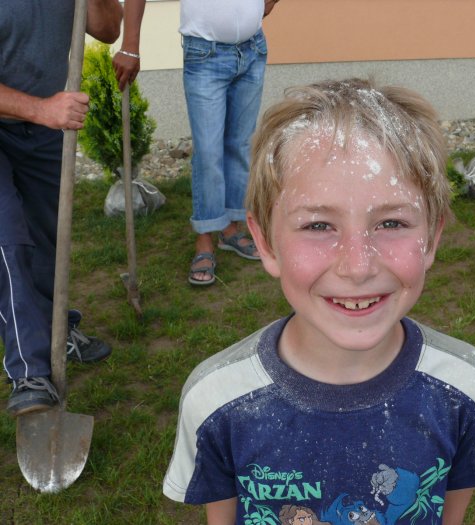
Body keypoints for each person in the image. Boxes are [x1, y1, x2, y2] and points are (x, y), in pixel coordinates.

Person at [163, 79, 475, 525]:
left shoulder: (465, 390)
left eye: (391, 222)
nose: (357, 266)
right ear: (265, 242)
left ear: (432, 238)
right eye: (317, 226)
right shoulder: (215, 401)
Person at [0, 0, 122, 417]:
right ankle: (29, 371)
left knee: (49, 237)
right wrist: (43, 108)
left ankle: (56, 332)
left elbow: (108, 30)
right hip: (39, 112)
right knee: (8, 239)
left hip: (42, 128)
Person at [113, 0, 282, 286]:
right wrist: (130, 46)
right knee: (208, 153)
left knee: (240, 146)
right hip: (206, 54)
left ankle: (230, 229)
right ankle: (204, 240)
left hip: (252, 49)